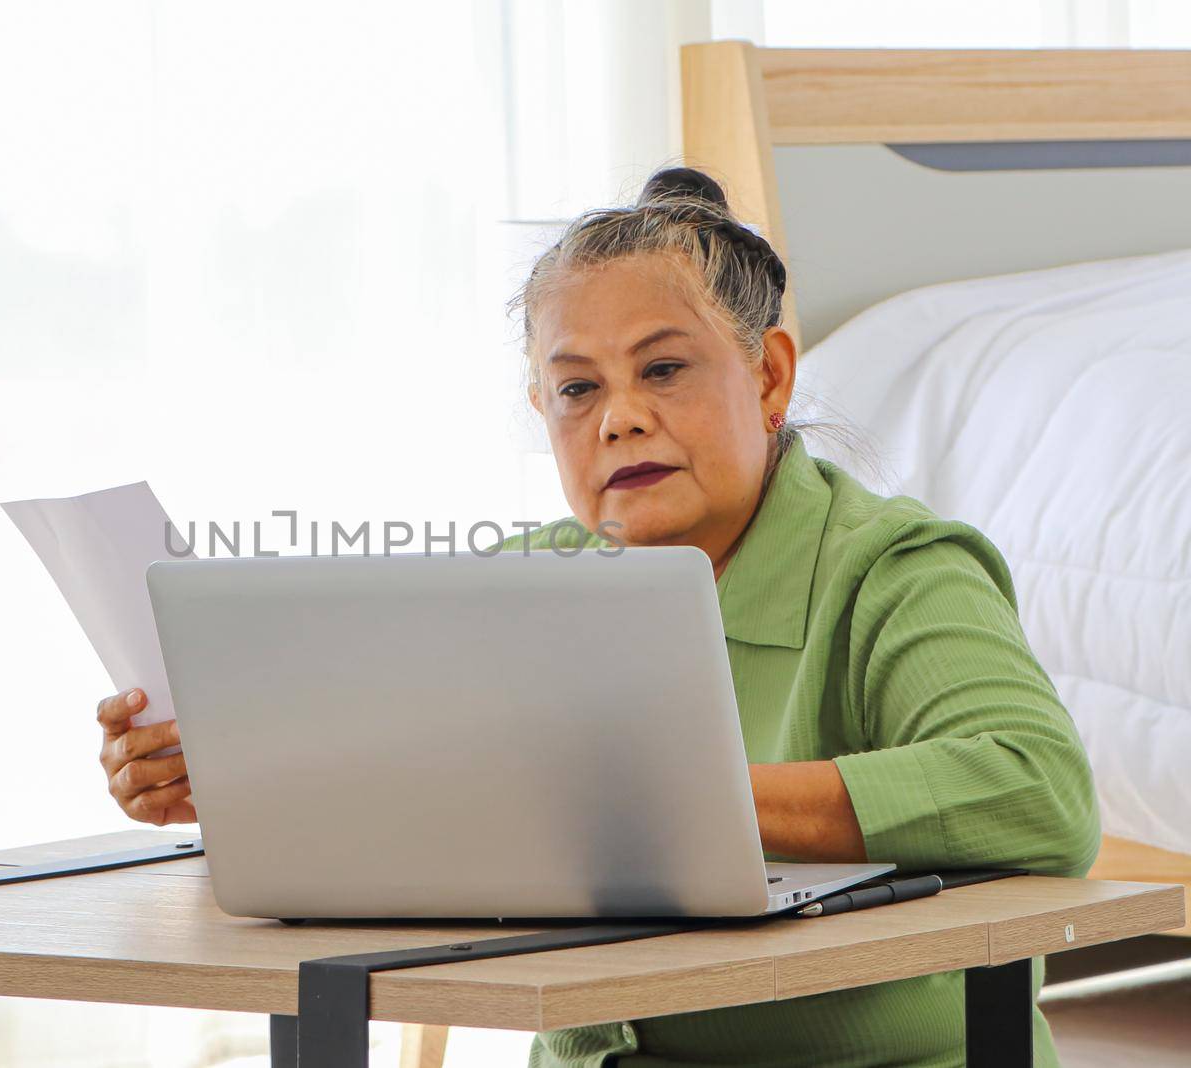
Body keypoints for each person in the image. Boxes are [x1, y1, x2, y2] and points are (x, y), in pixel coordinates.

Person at [94, 167, 1100, 1067]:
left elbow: (1037, 791)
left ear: (768, 376)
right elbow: (418, 797)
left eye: (663, 369)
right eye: (578, 388)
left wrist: (672, 804)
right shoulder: (511, 593)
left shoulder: (894, 569)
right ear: (543, 415)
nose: (619, 415)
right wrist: (228, 784)